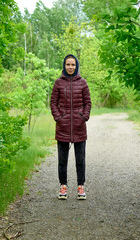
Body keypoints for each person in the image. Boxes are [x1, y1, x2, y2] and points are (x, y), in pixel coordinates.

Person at [50, 54, 91, 200]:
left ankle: (81, 186)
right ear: (64, 66)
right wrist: (59, 118)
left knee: (80, 160)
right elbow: (53, 103)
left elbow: (88, 103)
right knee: (62, 160)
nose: (70, 67)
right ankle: (63, 186)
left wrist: (83, 117)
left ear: (77, 66)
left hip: (79, 127)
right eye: (68, 64)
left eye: (73, 65)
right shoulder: (58, 83)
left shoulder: (83, 83)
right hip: (63, 127)